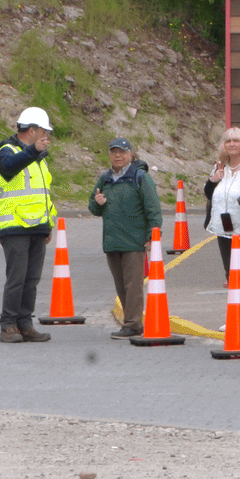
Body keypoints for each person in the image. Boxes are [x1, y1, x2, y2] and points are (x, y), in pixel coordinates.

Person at [0, 106, 57, 344]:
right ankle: (8, 326)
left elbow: (43, 194)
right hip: (15, 227)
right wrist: (32, 151)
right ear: (31, 130)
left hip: (37, 227)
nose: (46, 137)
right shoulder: (6, 150)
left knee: (31, 281)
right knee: (17, 279)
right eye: (43, 131)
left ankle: (25, 324)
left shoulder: (39, 159)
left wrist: (48, 224)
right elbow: (9, 168)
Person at [89, 136, 162, 339]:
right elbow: (93, 208)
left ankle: (133, 324)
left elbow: (153, 209)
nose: (118, 155)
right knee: (121, 285)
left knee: (133, 285)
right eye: (114, 152)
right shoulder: (104, 179)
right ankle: (131, 322)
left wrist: (152, 235)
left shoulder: (141, 178)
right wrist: (97, 203)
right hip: (112, 242)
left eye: (122, 152)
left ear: (130, 154)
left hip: (134, 242)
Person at [203, 126, 240, 321]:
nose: (232, 144)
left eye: (236, 140)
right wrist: (213, 180)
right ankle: (236, 315)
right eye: (228, 141)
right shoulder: (220, 167)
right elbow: (209, 194)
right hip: (223, 228)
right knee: (231, 273)